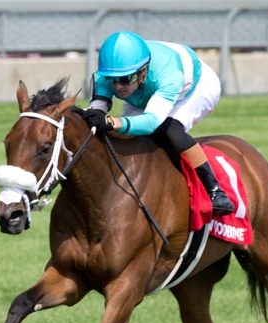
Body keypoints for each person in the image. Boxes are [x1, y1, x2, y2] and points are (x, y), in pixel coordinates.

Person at [82, 31, 235, 216]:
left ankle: (214, 189)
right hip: (144, 91)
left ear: (143, 71)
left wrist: (113, 121)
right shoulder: (105, 75)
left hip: (193, 88)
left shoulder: (169, 73)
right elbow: (97, 111)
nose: (118, 86)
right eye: (112, 80)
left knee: (168, 129)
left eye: (125, 79)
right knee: (122, 135)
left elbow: (152, 122)